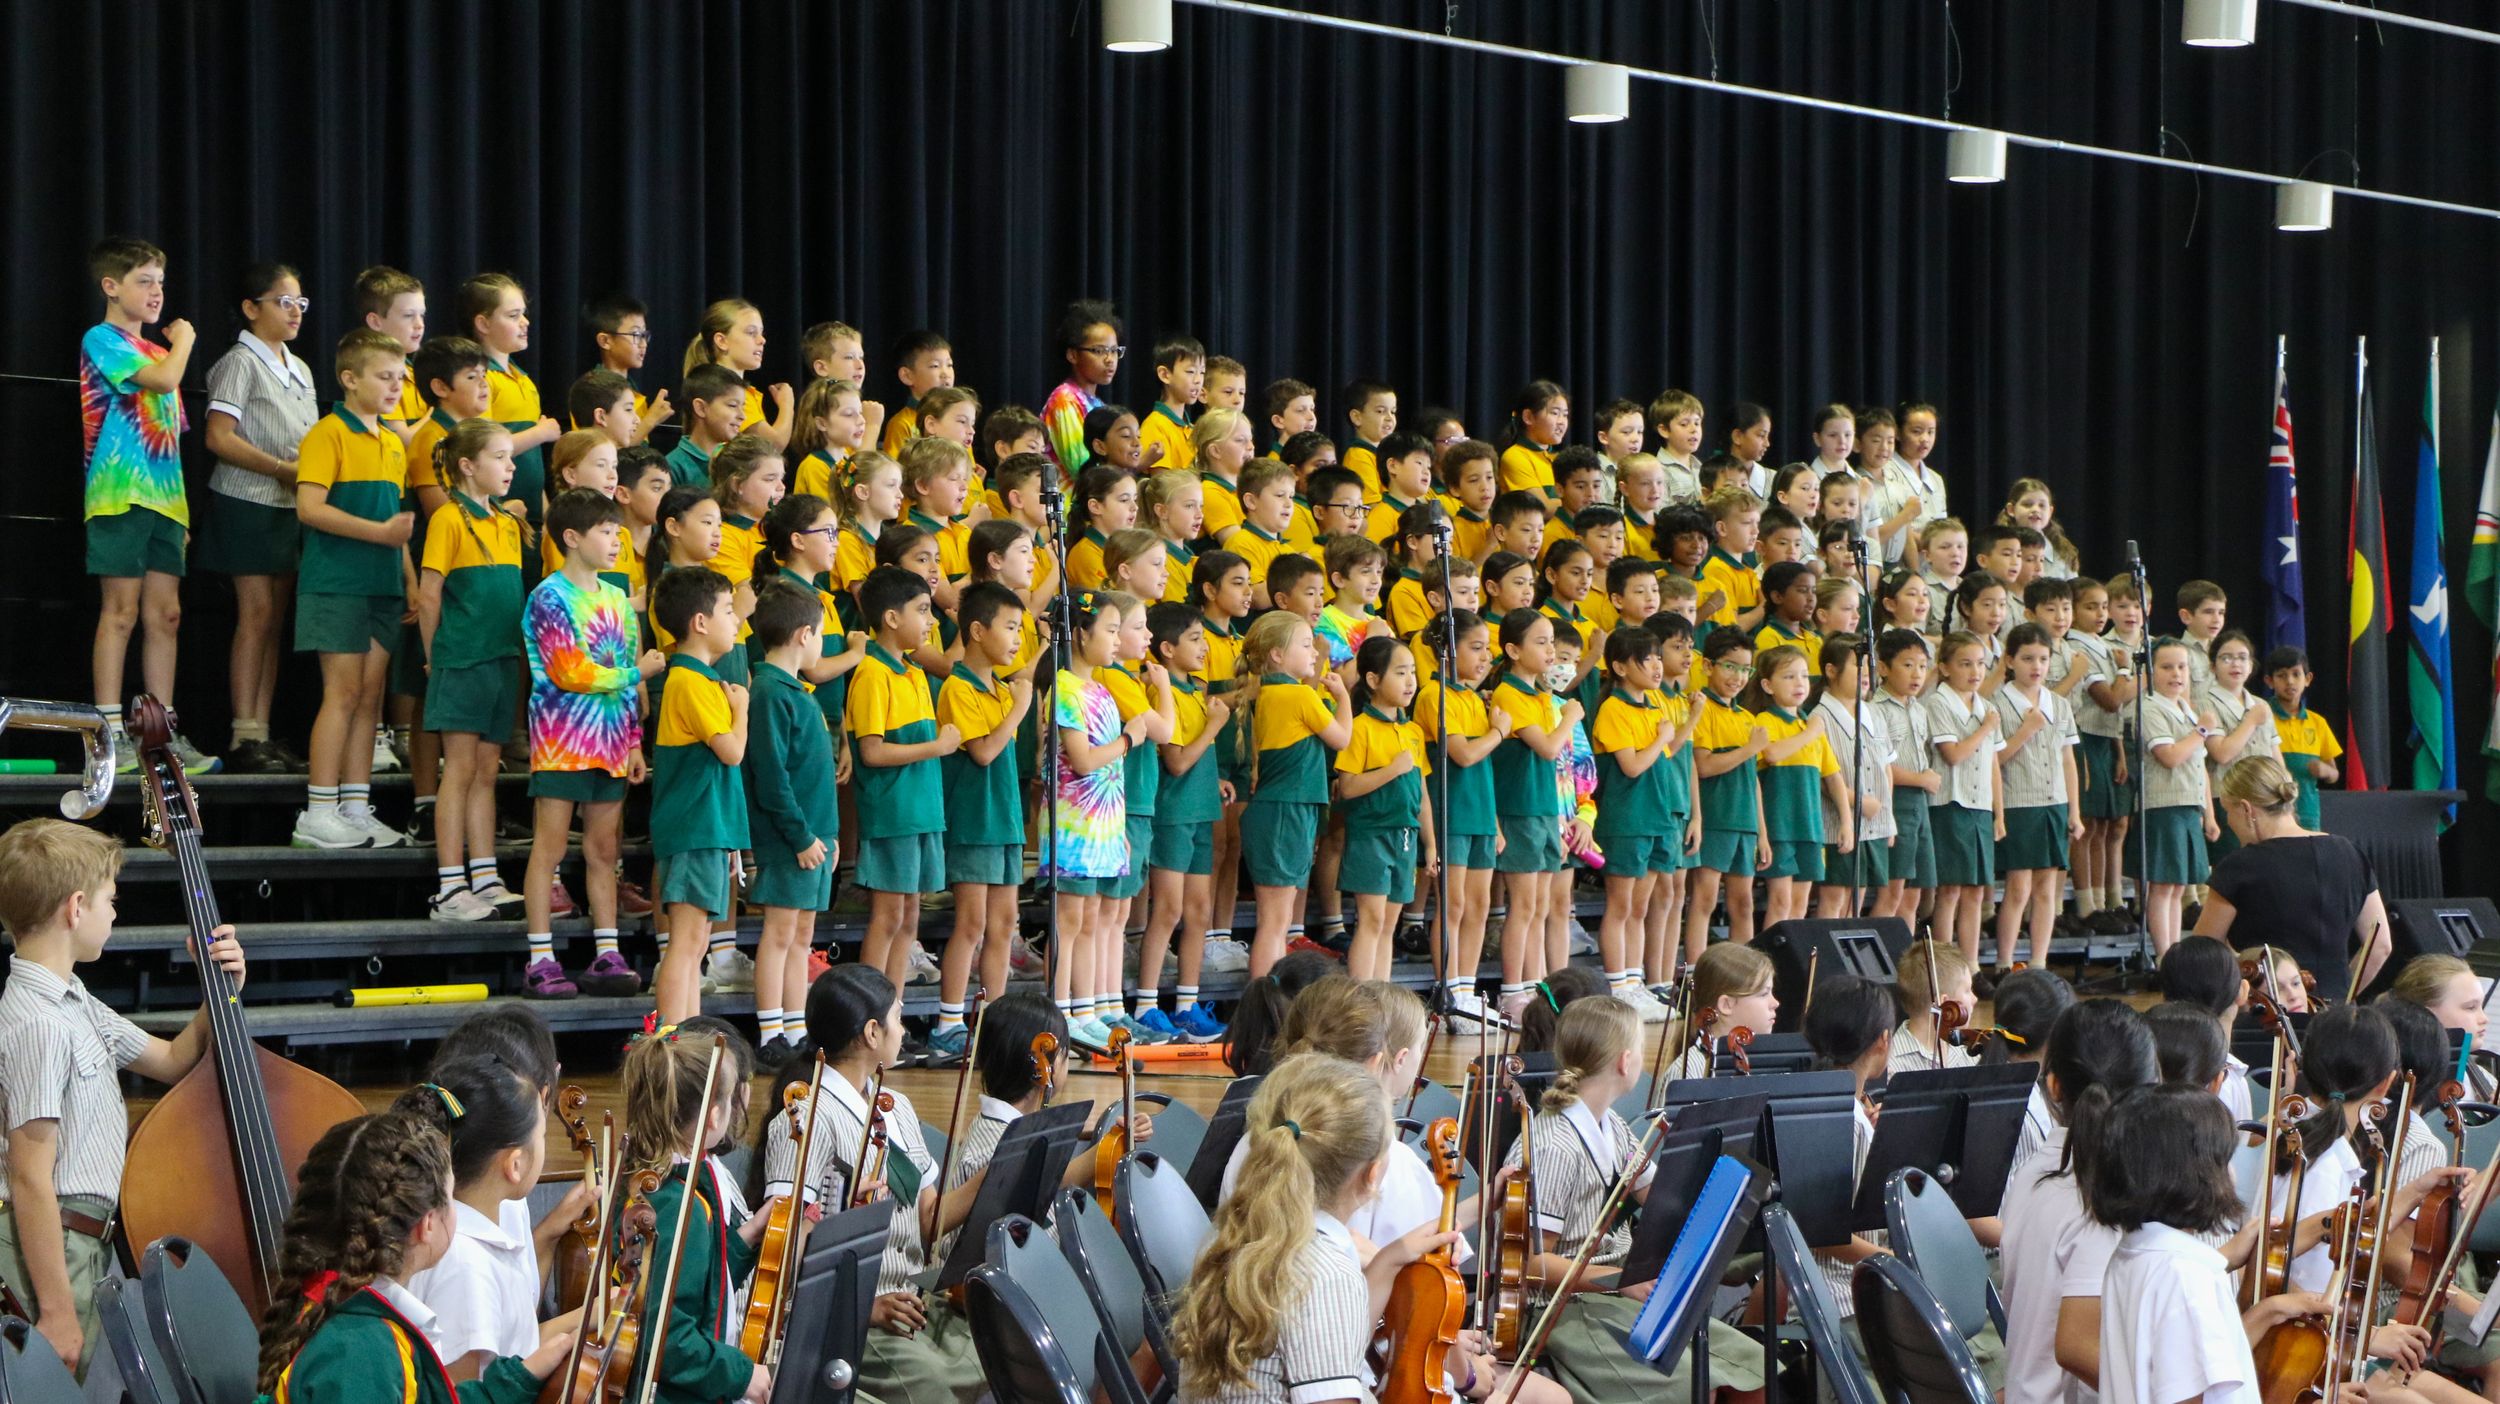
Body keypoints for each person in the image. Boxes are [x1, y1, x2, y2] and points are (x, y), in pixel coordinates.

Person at [0, 820, 245, 1375]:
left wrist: (219, 989)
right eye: (110, 900)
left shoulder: (75, 1001)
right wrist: (57, 1309)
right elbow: (29, 1175)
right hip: (58, 1248)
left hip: (87, 1243)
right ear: (76, 907)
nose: (114, 914)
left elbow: (172, 1060)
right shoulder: (40, 1024)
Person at [1169, 1054, 1464, 1404]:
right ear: (1372, 1175)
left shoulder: (1247, 1230)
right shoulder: (1326, 1274)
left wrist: (1389, 1261)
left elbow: (1327, 1348)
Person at [250, 1108, 578, 1404]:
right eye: (451, 1195)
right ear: (427, 1225)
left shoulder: (337, 1303)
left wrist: (518, 1379)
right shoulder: (361, 1351)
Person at [766, 966, 985, 1404]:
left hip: (912, 1303)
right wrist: (864, 1309)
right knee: (933, 1390)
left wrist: (994, 1172)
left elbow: (929, 1219)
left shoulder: (895, 1106)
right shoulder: (805, 1117)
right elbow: (787, 1247)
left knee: (997, 1355)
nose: (903, 1031)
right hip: (852, 1322)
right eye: (898, 1018)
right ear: (871, 1032)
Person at [523, 491, 665, 997]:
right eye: (605, 532)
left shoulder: (618, 601)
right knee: (550, 847)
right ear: (572, 537)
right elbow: (570, 672)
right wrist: (636, 673)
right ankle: (540, 958)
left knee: (605, 849)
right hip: (562, 742)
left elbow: (625, 684)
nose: (615, 541)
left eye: (617, 532)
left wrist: (633, 742)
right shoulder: (549, 597)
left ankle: (607, 952)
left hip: (610, 744)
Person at [292, 329, 417, 851]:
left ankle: (355, 807)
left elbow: (395, 526)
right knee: (341, 694)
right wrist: (380, 535)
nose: (395, 387)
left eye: (400, 378)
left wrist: (409, 579)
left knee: (369, 698)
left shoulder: (391, 442)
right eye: (384, 377)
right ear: (349, 379)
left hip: (382, 587)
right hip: (337, 585)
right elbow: (309, 508)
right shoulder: (328, 433)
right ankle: (318, 812)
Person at [615, 1027, 778, 1404]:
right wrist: (741, 1375)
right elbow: (667, 1338)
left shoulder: (652, 1177)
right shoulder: (679, 1204)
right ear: (714, 1116)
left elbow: (699, 1285)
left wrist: (748, 1237)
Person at [197, 262, 316, 773]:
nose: (295, 312)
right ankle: (244, 733)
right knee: (257, 613)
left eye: (300, 303)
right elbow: (218, 437)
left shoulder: (301, 368)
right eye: (283, 302)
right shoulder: (239, 362)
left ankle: (262, 732)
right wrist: (281, 468)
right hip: (247, 499)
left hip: (290, 505)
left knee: (276, 620)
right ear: (251, 308)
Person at [400, 1058, 587, 1381]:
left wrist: (590, 1317)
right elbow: (463, 1393)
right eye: (542, 1135)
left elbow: (515, 1351)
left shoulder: (475, 1243)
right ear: (515, 1165)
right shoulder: (464, 1264)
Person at [418, 420, 528, 924]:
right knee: (459, 771)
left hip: (502, 661)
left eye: (511, 457)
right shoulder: (448, 519)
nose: (511, 467)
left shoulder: (506, 522)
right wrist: (434, 657)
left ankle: (485, 876)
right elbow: (430, 595)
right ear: (467, 465)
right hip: (462, 660)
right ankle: (449, 887)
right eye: (500, 457)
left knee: (487, 771)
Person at [2191, 755, 2389, 998]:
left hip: (2269, 1013)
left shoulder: (2239, 866)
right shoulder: (2349, 852)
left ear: (2246, 809)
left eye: (2227, 811)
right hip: (2338, 1013)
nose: (2228, 822)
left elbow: (2202, 952)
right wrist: (2342, 997)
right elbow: (2380, 945)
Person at [650, 567, 751, 1022]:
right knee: (686, 943)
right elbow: (732, 752)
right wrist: (741, 709)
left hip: (707, 830)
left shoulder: (702, 679)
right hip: (693, 828)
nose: (737, 620)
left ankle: (687, 1035)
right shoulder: (690, 681)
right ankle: (672, 1040)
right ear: (700, 622)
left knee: (697, 943)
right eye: (728, 611)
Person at [1591, 628, 1697, 1015]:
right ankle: (1619, 985)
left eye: (1657, 658)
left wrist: (1676, 730)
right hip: (1627, 820)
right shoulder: (1612, 709)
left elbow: (1665, 754)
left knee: (1640, 907)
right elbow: (1632, 766)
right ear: (1620, 667)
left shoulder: (1653, 707)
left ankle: (1635, 982)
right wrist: (1662, 738)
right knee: (1620, 906)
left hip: (1657, 817)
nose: (1656, 666)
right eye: (1646, 659)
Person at [1487, 612, 1578, 1016]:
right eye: (1540, 642)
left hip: (1543, 809)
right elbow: (1547, 748)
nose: (1551, 650)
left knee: (1540, 906)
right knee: (1523, 906)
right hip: (1519, 810)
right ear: (1513, 650)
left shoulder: (1540, 696)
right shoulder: (1509, 694)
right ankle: (1512, 991)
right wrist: (1570, 717)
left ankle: (1538, 986)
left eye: (1551, 641)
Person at [1335, 637, 1434, 983]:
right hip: (1371, 835)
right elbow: (1348, 787)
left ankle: (1381, 994)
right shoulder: (1360, 728)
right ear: (1373, 680)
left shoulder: (1413, 731)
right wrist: (1392, 769)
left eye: (1413, 673)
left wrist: (1430, 843)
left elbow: (1422, 794)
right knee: (1372, 919)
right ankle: (1362, 997)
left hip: (1405, 837)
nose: (1410, 682)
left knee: (1390, 923)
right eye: (1400, 673)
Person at [1994, 623, 2083, 972]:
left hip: (2054, 803)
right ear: (2010, 661)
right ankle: (2004, 962)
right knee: (2018, 889)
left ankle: (2038, 962)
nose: (2036, 666)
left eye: (2043, 659)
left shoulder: (2058, 704)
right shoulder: (1997, 704)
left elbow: (2067, 759)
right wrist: (2025, 731)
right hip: (2019, 803)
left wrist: (2074, 811)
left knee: (2047, 889)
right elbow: (1996, 759)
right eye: (2028, 658)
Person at [1686, 629, 1770, 961]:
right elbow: (1704, 766)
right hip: (1716, 818)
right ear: (1708, 666)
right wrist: (1750, 748)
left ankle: (1742, 972)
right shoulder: (1702, 709)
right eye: (1730, 666)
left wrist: (1762, 833)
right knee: (1704, 899)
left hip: (1744, 823)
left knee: (1743, 903)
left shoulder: (1746, 717)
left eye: (1745, 669)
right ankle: (1694, 972)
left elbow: (1753, 781)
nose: (1738, 677)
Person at [1926, 631, 2006, 975]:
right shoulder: (1939, 703)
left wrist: (1998, 813)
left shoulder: (1987, 708)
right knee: (1950, 891)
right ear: (1945, 667)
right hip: (1951, 804)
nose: (1975, 672)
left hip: (1979, 806)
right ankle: (1944, 967)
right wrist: (1985, 728)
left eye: (1980, 664)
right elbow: (1954, 754)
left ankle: (1971, 966)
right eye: (1965, 664)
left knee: (1975, 891)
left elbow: (1993, 764)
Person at [2137, 639, 2219, 956]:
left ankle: (2173, 952)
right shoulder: (2150, 707)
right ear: (2152, 671)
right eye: (2167, 667)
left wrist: (2208, 814)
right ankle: (2164, 954)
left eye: (2182, 667)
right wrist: (2201, 731)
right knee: (2163, 885)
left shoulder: (2186, 709)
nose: (2176, 674)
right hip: (2163, 805)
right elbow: (2169, 756)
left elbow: (2200, 767)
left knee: (2177, 886)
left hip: (2188, 806)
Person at [1044, 301, 1119, 472]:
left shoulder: (1098, 404)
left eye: (1114, 350)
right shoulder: (1064, 400)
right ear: (1073, 355)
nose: (1110, 359)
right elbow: (1083, 468)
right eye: (1099, 351)